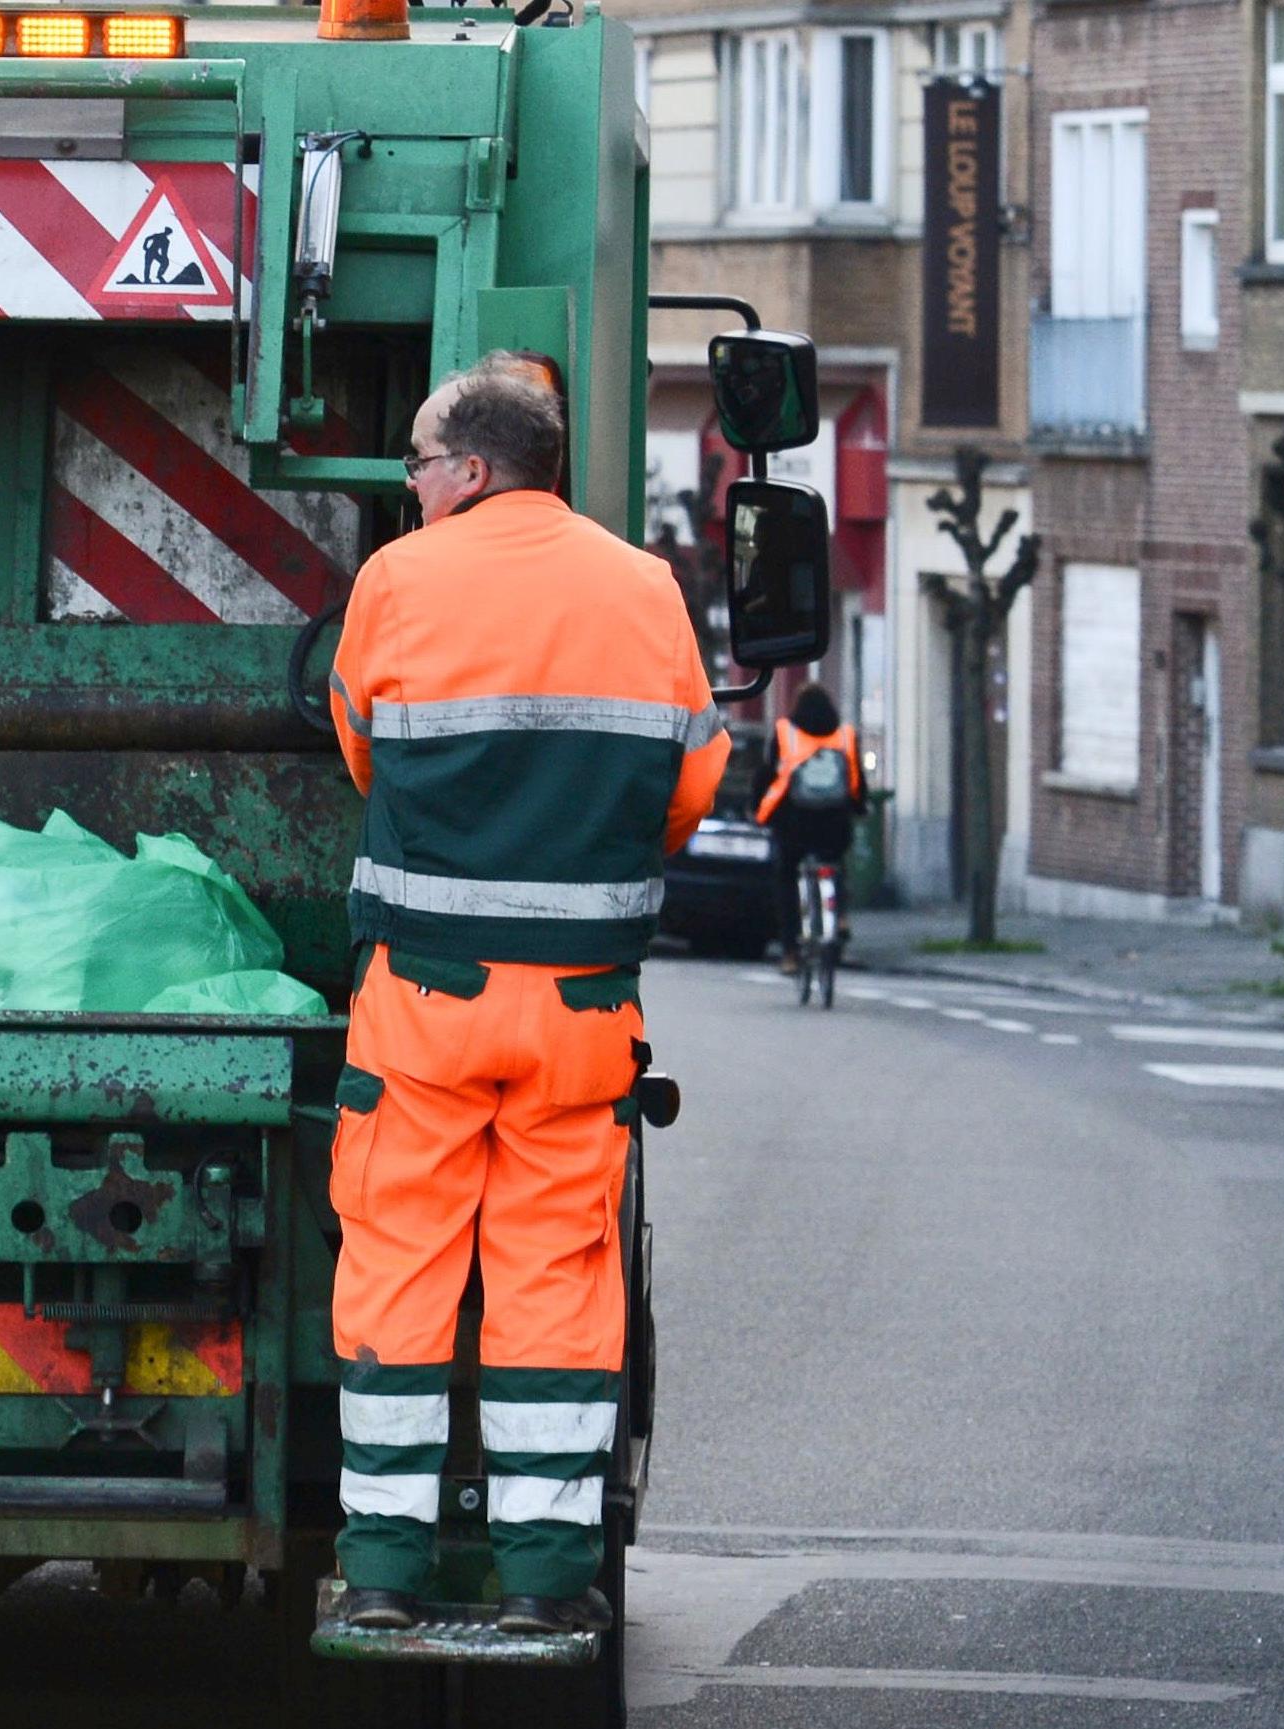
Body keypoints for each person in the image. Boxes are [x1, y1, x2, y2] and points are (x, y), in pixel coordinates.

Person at [323, 358, 727, 1635]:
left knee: (400, 1259)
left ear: (474, 470)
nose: (412, 487)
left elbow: (356, 735)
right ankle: (548, 1585)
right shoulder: (647, 587)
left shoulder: (400, 578)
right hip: (581, 1014)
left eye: (419, 466)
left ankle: (383, 1569)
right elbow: (692, 780)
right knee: (556, 1273)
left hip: (426, 999)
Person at [755, 683, 866, 970]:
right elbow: (855, 781)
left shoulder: (785, 733)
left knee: (787, 879)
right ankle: (839, 917)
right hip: (834, 822)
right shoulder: (845, 735)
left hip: (795, 823)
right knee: (835, 862)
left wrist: (759, 811)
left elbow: (769, 776)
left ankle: (791, 952)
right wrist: (859, 808)